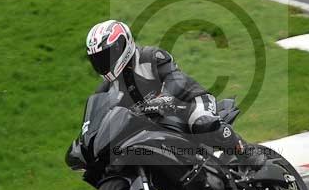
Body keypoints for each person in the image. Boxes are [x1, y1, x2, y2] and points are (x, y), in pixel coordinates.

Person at [67, 20, 262, 173]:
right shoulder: (106, 88)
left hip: (189, 103)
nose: (104, 62)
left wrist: (165, 97)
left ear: (123, 46)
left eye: (108, 55)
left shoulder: (151, 56)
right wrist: (85, 143)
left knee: (203, 122)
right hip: (155, 124)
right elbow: (97, 117)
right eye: (98, 59)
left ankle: (246, 151)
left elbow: (176, 80)